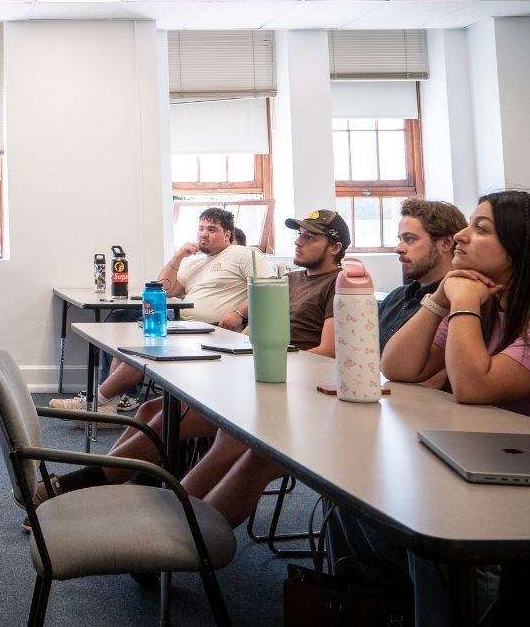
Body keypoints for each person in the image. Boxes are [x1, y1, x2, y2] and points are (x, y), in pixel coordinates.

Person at [27, 209, 347, 528]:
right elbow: (257, 330)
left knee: (182, 423)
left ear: (335, 247)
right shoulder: (290, 279)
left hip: (289, 386)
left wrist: (264, 354)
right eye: (299, 234)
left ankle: (142, 519)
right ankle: (134, 494)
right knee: (154, 409)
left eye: (310, 236)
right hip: (253, 373)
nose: (299, 241)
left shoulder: (337, 284)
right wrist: (238, 351)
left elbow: (328, 352)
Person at [330, 190, 530, 625]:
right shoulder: (482, 306)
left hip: (520, 485)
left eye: (480, 229)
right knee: (350, 504)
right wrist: (440, 299)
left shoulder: (514, 314)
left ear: (524, 248)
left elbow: (473, 386)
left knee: (437, 541)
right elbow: (399, 366)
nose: (461, 236)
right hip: (480, 459)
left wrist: (461, 303)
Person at [51, 207, 273, 417]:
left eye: (211, 229)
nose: (203, 234)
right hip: (181, 324)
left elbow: (268, 287)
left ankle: (100, 400)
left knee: (145, 343)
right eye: (201, 228)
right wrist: (178, 257)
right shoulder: (195, 263)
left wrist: (239, 313)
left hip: (209, 328)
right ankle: (109, 399)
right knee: (125, 331)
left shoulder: (243, 254)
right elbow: (163, 289)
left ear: (227, 234)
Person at [378, 199, 468, 350]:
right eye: (400, 239)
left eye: (410, 239)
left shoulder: (459, 304)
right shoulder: (395, 298)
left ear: (446, 243)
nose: (399, 248)